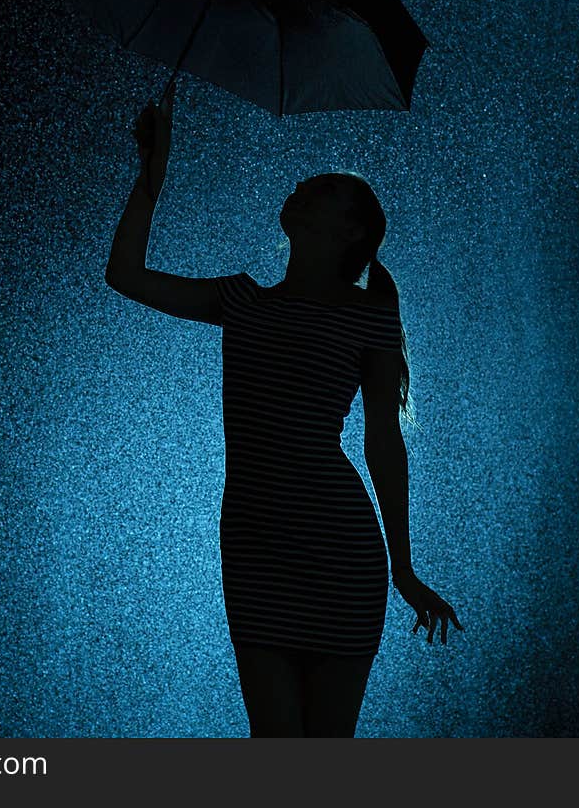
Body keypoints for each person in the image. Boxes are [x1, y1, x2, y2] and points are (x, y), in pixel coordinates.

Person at [105, 81, 464, 738]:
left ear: (350, 230)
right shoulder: (241, 301)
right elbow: (124, 275)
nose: (303, 186)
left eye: (322, 190)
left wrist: (404, 570)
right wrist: (149, 180)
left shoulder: (371, 318)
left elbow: (384, 444)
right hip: (256, 547)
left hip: (340, 551)